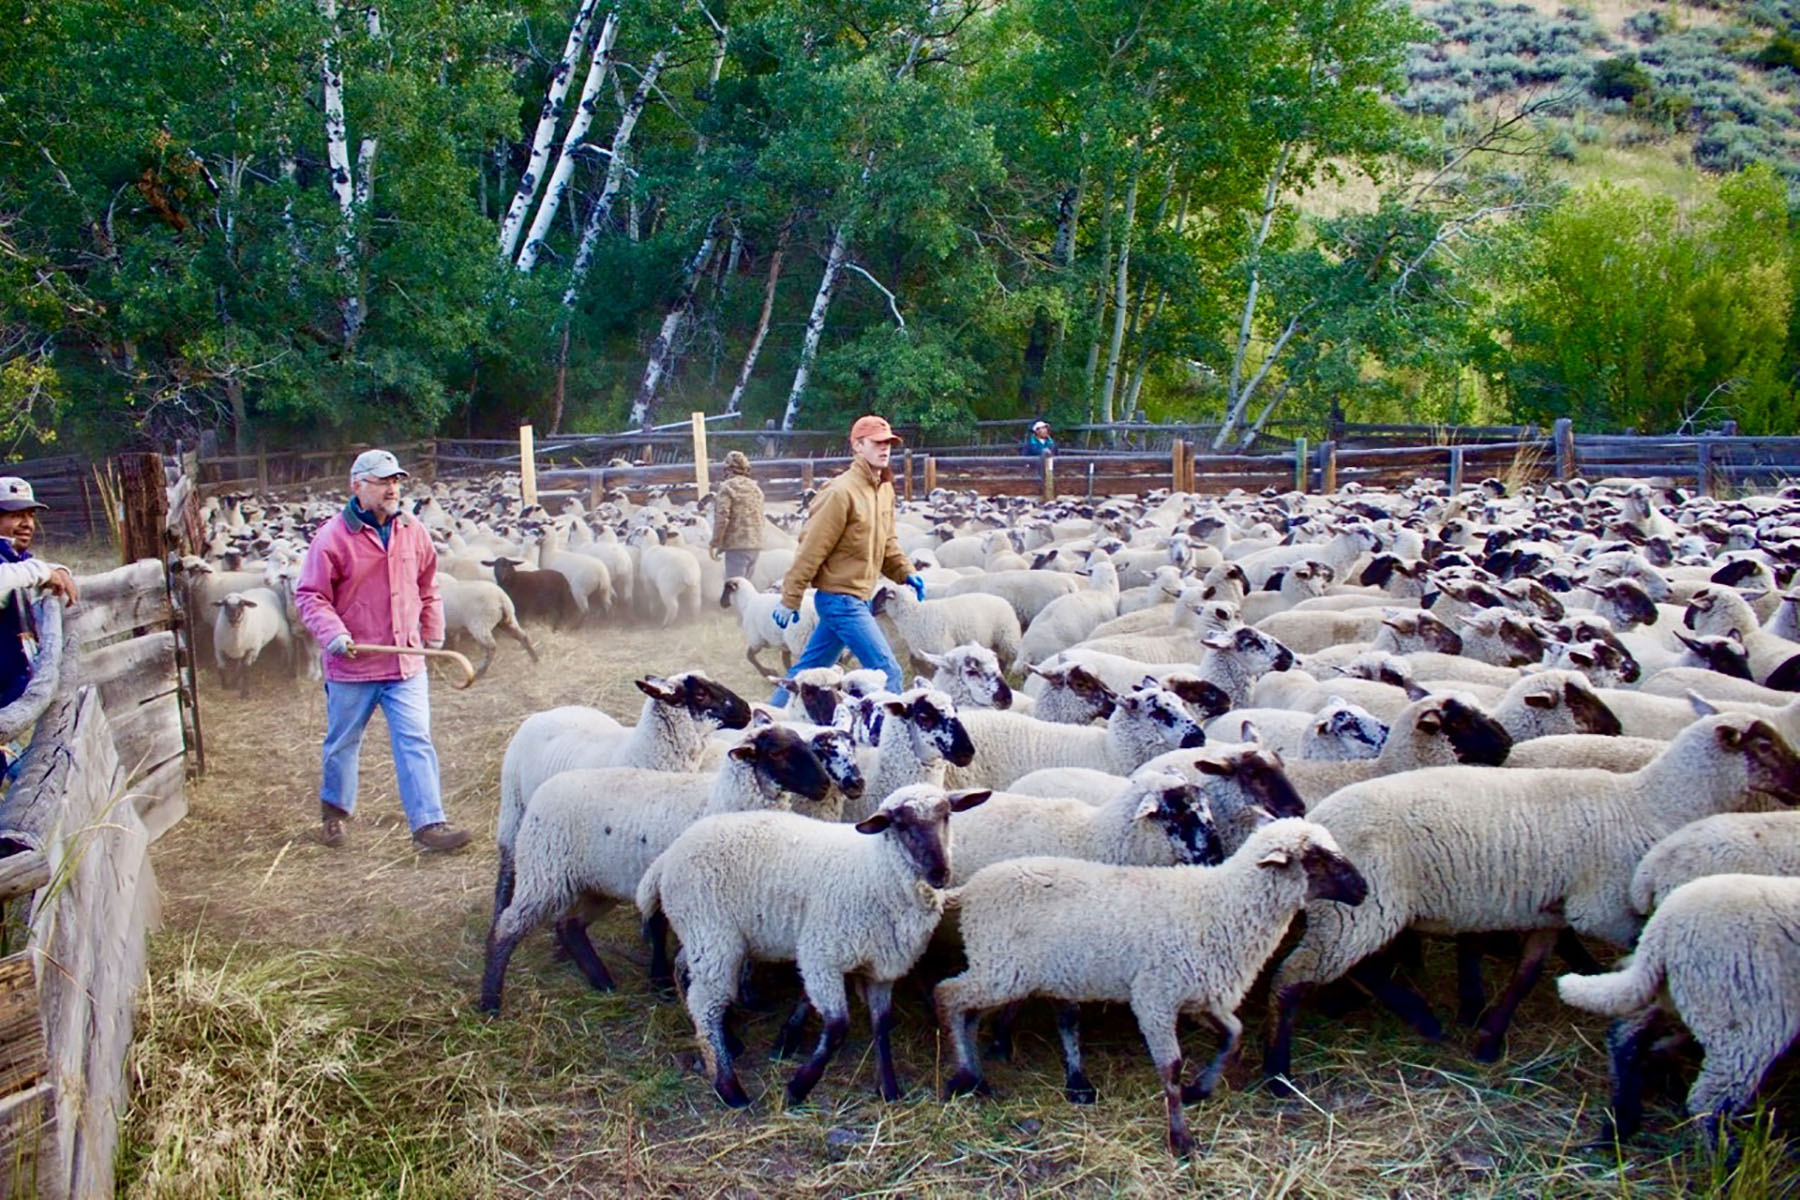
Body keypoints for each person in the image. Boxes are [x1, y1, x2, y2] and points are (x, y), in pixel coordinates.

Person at [295, 449, 470, 853]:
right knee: (343, 742)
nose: (392, 489)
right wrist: (333, 634)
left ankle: (429, 824)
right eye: (383, 481)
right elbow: (310, 595)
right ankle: (335, 814)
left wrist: (433, 632)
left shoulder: (412, 530)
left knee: (415, 739)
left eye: (396, 481)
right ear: (357, 485)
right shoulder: (333, 536)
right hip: (354, 662)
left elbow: (428, 586)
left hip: (405, 661)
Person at [770, 415, 923, 706]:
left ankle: (770, 719)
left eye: (888, 443)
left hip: (860, 596)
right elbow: (811, 548)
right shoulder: (840, 492)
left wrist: (906, 572)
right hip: (840, 600)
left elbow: (887, 542)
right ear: (857, 445)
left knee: (808, 671)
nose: (885, 448)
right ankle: (891, 732)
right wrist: (791, 597)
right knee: (887, 672)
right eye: (877, 443)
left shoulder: (884, 489)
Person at [0, 477, 79, 708]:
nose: (27, 524)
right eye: (16, 515)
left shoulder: (14, 558)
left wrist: (57, 569)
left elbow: (21, 568)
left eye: (31, 515)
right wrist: (44, 571)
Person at [709, 450, 764, 600]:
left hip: (736, 544)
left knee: (734, 589)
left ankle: (735, 614)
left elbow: (722, 516)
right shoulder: (755, 488)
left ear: (728, 468)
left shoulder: (727, 487)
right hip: (755, 544)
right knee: (746, 588)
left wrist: (715, 542)